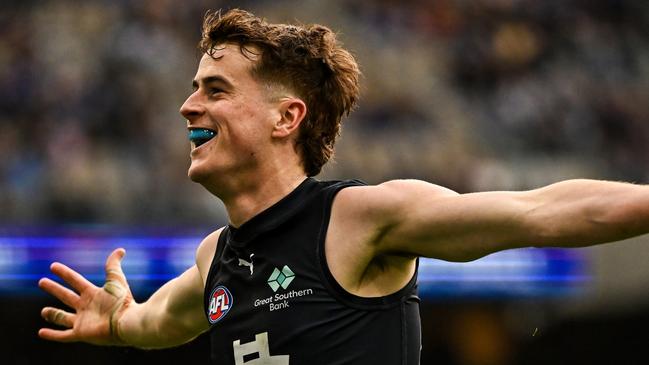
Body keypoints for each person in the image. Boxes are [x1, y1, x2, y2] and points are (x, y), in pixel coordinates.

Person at [38, 8, 649, 365]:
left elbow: (539, 210)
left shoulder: (357, 219)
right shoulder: (214, 260)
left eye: (215, 90)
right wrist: (118, 319)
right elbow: (155, 323)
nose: (187, 106)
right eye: (196, 88)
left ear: (286, 118)